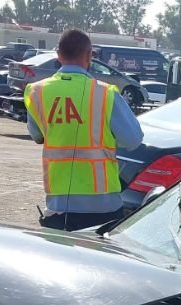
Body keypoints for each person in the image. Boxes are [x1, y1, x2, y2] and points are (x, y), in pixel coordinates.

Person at [23, 29, 143, 232]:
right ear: (89, 56)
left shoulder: (36, 91)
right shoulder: (105, 94)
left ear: (58, 55)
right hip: (103, 205)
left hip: (60, 206)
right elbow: (133, 140)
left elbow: (37, 135)